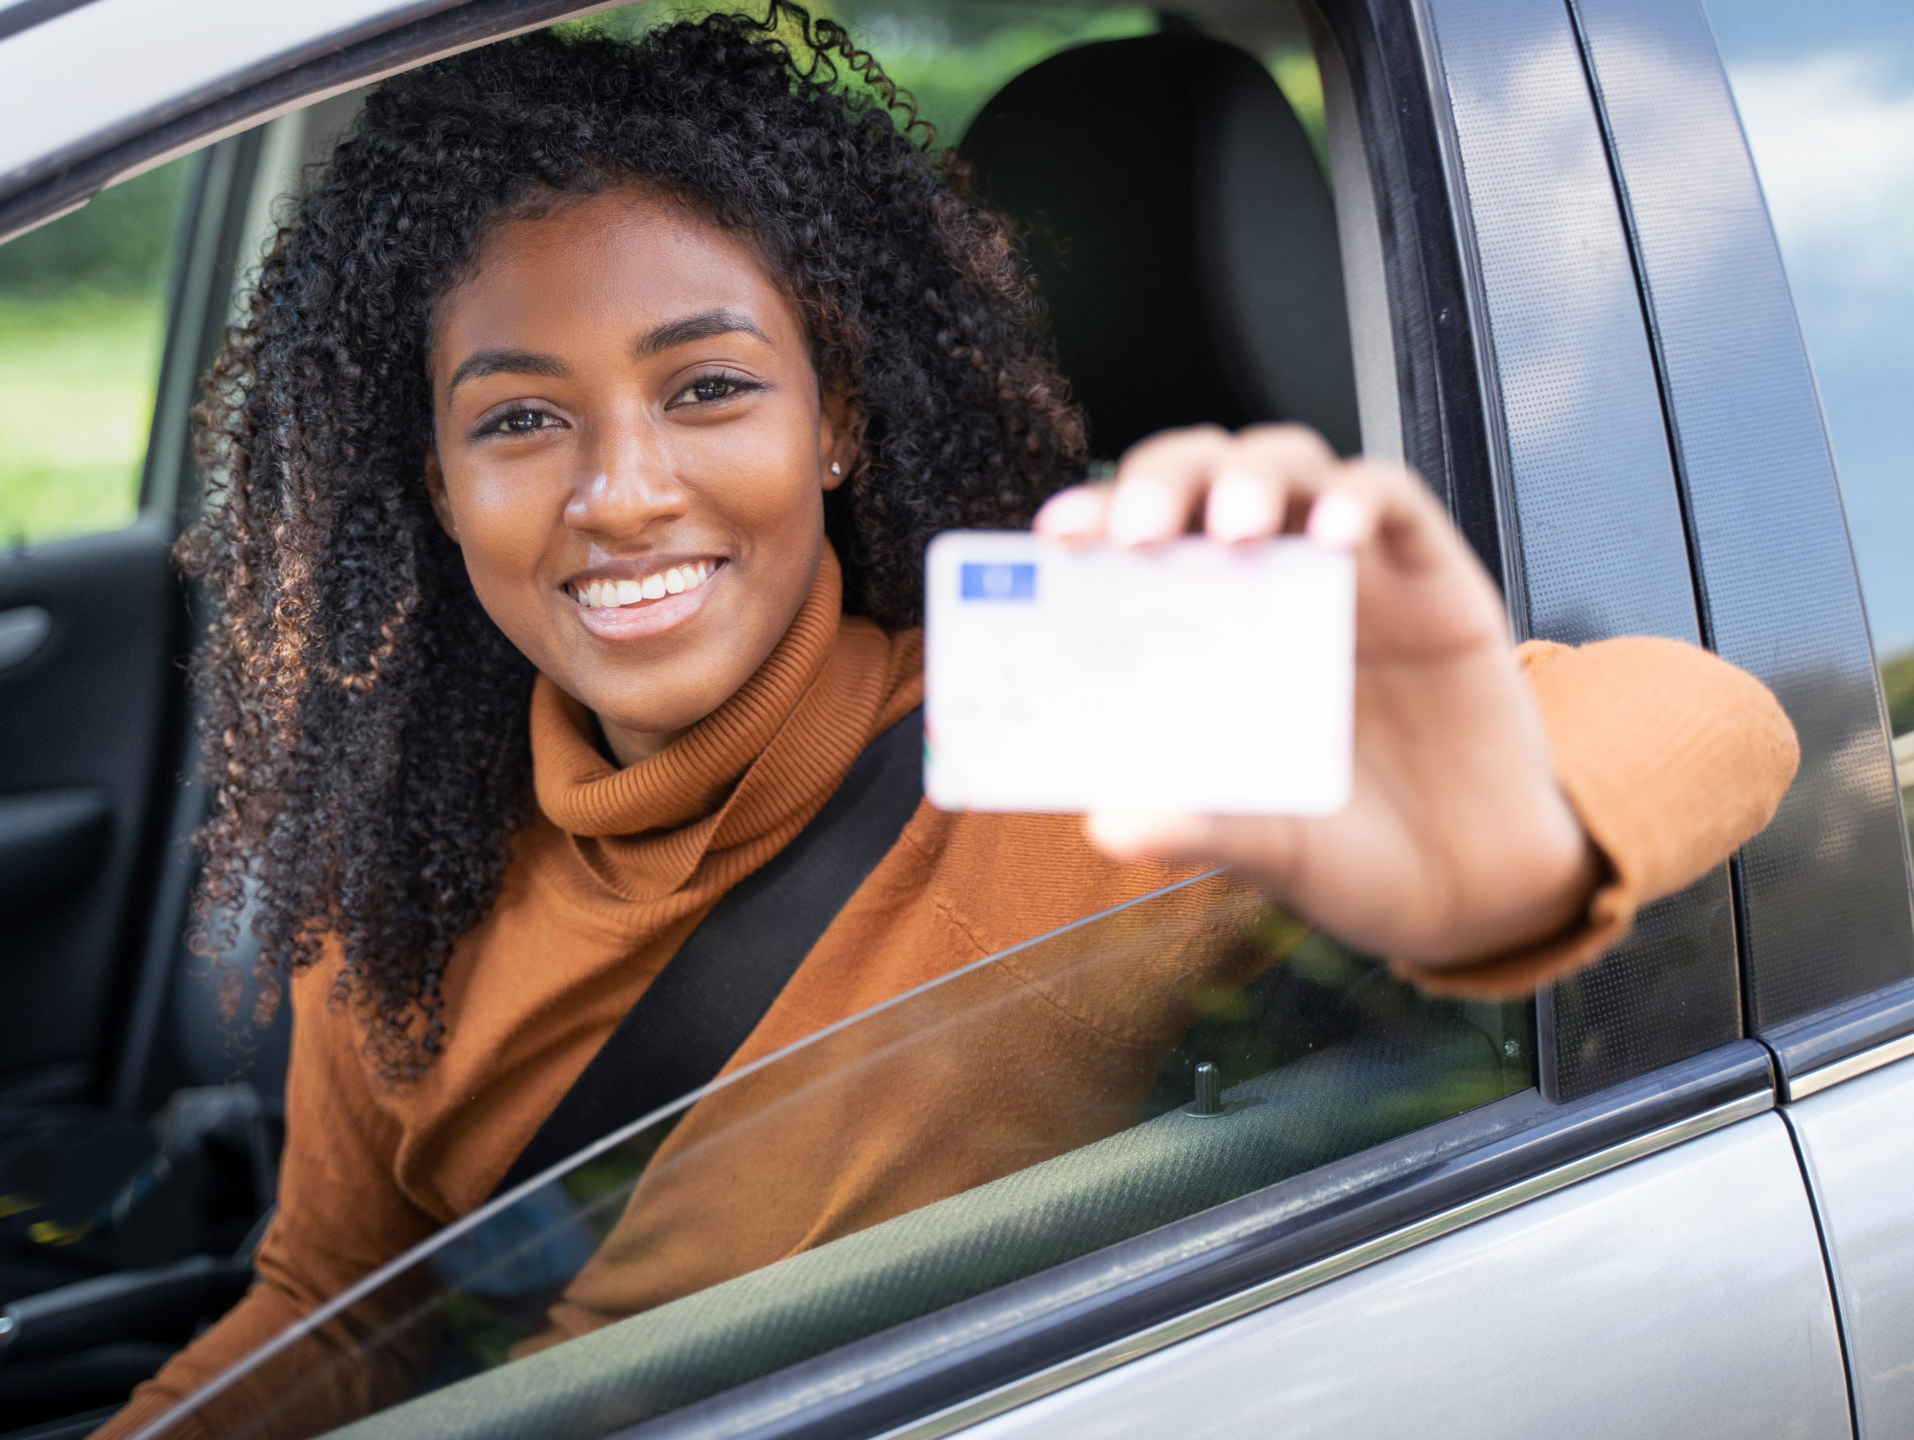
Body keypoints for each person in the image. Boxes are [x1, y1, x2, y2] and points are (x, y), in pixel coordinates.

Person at [100, 5, 1797, 1435]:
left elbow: (1708, 710)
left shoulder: (1059, 701)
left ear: (836, 417)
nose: (622, 493)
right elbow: (339, 1302)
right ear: (437, 481)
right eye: (523, 418)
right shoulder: (405, 855)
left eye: (711, 389)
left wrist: (1493, 870)